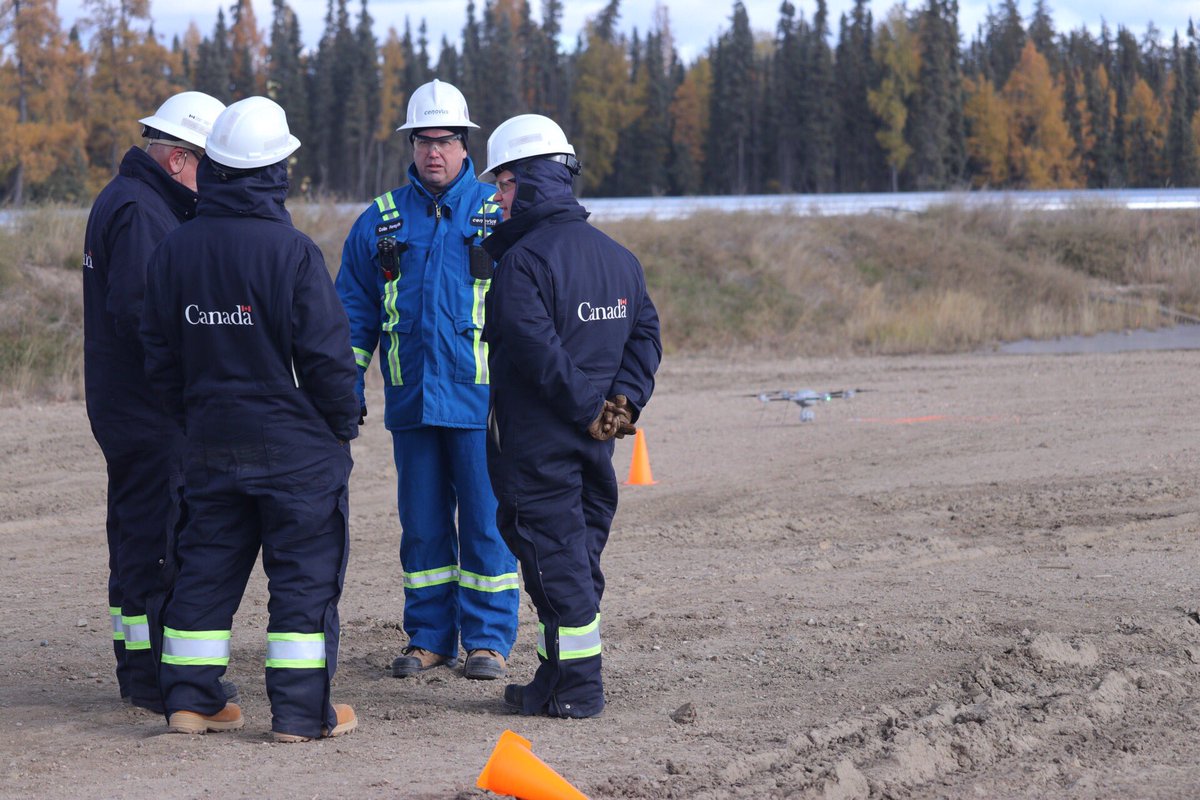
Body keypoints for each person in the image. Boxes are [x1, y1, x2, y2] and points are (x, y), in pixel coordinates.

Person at [140, 96, 359, 742]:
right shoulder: (290, 253)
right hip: (295, 455)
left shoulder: (175, 250)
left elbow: (158, 354)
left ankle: (190, 701)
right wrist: (342, 423)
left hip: (208, 444)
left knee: (203, 570)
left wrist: (195, 416)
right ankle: (298, 715)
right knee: (303, 577)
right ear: (275, 170)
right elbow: (326, 357)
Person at [478, 114, 662, 718]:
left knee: (556, 563)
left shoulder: (523, 264)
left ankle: (579, 687)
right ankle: (557, 677)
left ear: (530, 182)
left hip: (537, 446)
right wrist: (619, 407)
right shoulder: (618, 258)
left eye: (502, 184)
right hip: (593, 445)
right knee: (575, 559)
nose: (497, 198)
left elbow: (535, 349)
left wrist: (593, 411)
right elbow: (645, 336)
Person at [336, 79, 519, 681]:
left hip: (481, 404)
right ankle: (429, 637)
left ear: (466, 146)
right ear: (410, 145)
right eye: (423, 140)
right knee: (421, 529)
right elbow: (356, 313)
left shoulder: (499, 214)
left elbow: (530, 308)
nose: (433, 152)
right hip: (411, 401)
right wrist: (344, 382)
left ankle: (488, 641)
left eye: (444, 140)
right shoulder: (382, 221)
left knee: (488, 526)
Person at [83, 90, 227, 713]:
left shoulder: (138, 200)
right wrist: (190, 381)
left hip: (129, 407)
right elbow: (142, 313)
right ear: (178, 161)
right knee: (155, 539)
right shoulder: (144, 212)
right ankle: (152, 679)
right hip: (146, 410)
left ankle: (139, 666)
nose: (217, 180)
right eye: (210, 164)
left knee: (139, 533)